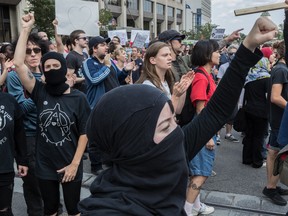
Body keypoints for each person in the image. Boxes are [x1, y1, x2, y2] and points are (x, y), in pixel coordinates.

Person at [78, 16, 278, 215]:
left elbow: (216, 111)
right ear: (132, 140)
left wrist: (248, 45)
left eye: (172, 121)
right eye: (165, 126)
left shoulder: (166, 150)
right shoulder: (108, 209)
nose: (176, 132)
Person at [13, 13, 91, 216]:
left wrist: (74, 165)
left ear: (65, 69)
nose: (52, 69)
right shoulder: (40, 92)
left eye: (56, 66)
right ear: (43, 71)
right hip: (44, 165)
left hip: (70, 163)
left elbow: (85, 132)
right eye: (47, 67)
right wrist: (26, 29)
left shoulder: (78, 98)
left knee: (74, 210)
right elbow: (19, 64)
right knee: (50, 210)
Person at [6, 33, 47, 216]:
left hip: (49, 134)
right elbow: (20, 109)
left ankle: (54, 208)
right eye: (28, 50)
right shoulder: (15, 77)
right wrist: (38, 90)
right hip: (28, 135)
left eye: (36, 50)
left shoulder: (49, 70)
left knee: (50, 177)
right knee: (32, 181)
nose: (32, 54)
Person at [184, 39, 220, 215]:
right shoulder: (200, 77)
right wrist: (208, 136)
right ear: (207, 55)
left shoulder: (205, 74)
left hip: (202, 130)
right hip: (201, 132)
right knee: (201, 173)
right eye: (216, 51)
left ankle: (196, 206)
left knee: (196, 172)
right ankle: (188, 210)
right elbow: (200, 109)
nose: (219, 54)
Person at [262, 6, 288, 206]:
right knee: (274, 153)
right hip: (280, 120)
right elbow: (275, 97)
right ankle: (270, 188)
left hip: (282, 119)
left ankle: (274, 184)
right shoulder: (280, 70)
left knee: (277, 153)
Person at [137, 41, 194, 114]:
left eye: (170, 54)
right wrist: (175, 96)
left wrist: (183, 87)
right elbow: (165, 116)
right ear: (153, 60)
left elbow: (178, 110)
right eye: (165, 55)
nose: (170, 58)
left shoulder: (166, 80)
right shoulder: (148, 85)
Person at [0, 92, 28, 216]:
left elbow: (19, 132)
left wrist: (22, 160)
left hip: (4, 167)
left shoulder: (9, 100)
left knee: (4, 210)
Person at [242, 57, 270, 168]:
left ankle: (246, 158)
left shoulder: (249, 78)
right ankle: (257, 161)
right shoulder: (267, 78)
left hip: (248, 109)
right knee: (259, 136)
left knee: (249, 134)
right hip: (261, 111)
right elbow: (268, 96)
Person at [217, 44, 240, 144]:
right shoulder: (223, 66)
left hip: (235, 95)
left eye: (235, 53)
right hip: (224, 94)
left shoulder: (240, 67)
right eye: (231, 53)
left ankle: (228, 133)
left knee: (232, 116)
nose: (233, 56)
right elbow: (219, 81)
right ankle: (217, 134)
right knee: (220, 115)